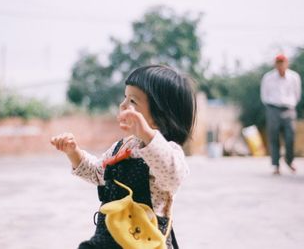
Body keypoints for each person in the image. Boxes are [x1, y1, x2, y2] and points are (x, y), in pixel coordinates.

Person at [51, 65, 196, 248]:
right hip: (110, 237)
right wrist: (74, 152)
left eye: (133, 101)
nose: (123, 105)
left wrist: (146, 134)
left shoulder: (165, 151)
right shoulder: (122, 146)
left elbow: (173, 177)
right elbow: (97, 173)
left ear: (161, 113)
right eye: (125, 97)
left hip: (144, 241)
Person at [260, 54, 301, 175]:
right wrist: (271, 107)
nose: (280, 65)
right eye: (278, 62)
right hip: (273, 109)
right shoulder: (268, 77)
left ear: (287, 63)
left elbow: (297, 95)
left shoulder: (294, 77)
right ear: (275, 64)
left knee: (290, 137)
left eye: (282, 62)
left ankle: (289, 160)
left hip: (289, 109)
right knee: (274, 138)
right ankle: (276, 165)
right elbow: (264, 95)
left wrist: (290, 105)